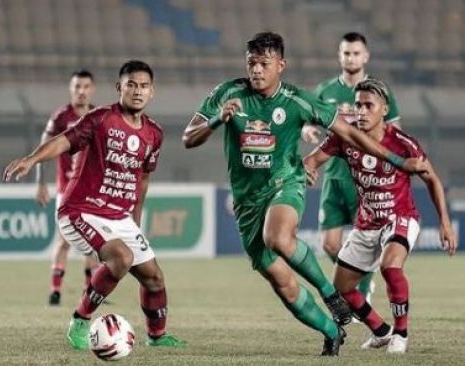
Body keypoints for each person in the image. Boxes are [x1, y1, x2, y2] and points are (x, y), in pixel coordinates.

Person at [182, 32, 426, 356]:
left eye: (264, 64)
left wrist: (397, 161)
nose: (256, 70)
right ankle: (331, 330)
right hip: (246, 202)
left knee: (279, 238)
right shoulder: (228, 93)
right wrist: (217, 119)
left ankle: (330, 293)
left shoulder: (298, 100)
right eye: (251, 63)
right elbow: (188, 137)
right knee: (281, 283)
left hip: (287, 182)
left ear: (281, 65)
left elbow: (351, 133)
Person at [4, 60, 186, 349]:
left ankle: (157, 337)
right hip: (80, 210)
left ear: (152, 92)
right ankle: (79, 319)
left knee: (154, 277)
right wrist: (32, 159)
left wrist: (135, 219)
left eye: (144, 86)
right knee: (121, 259)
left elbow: (143, 179)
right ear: (119, 88)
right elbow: (64, 140)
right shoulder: (101, 118)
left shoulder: (154, 133)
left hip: (119, 216)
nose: (138, 91)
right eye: (131, 85)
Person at [304, 78, 457, 354]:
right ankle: (381, 330)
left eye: (368, 106)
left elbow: (432, 179)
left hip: (400, 216)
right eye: (357, 105)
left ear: (384, 109)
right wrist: (306, 171)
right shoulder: (345, 137)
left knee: (390, 266)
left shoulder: (403, 143)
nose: (361, 111)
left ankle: (401, 333)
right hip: (367, 221)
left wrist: (445, 223)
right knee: (342, 287)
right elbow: (312, 161)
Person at [302, 32, 402, 302]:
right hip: (334, 177)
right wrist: (309, 132)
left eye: (356, 53)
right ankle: (361, 279)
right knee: (330, 244)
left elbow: (395, 132)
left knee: (367, 241)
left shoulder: (380, 91)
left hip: (367, 181)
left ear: (366, 56)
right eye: (346, 53)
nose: (351, 57)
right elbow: (307, 123)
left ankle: (361, 290)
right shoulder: (325, 91)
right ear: (339, 56)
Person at [35, 69, 101, 306]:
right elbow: (43, 148)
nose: (81, 91)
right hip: (67, 190)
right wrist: (41, 183)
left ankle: (90, 291)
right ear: (70, 89)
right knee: (64, 240)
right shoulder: (61, 117)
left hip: (93, 191)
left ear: (92, 89)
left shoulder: (98, 115)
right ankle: (55, 291)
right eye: (77, 87)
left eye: (85, 87)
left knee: (93, 243)